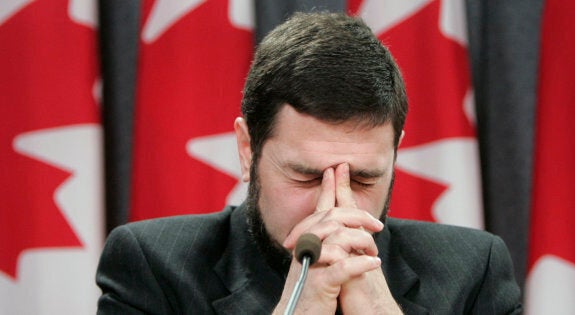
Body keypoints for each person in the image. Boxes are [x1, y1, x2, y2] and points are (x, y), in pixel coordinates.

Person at [96, 12, 522, 314]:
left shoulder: (473, 270)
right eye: (304, 175)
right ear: (248, 150)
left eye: (364, 178)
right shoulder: (153, 267)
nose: (334, 207)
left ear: (395, 155)